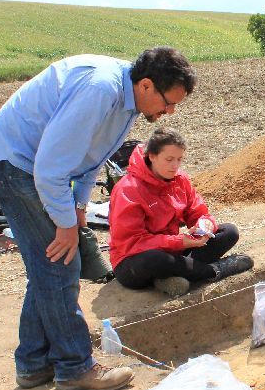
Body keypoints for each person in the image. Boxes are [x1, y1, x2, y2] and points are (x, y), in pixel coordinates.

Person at [0, 47, 196, 390]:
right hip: (15, 163)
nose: (168, 112)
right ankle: (74, 367)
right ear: (145, 85)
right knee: (61, 263)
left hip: (34, 165)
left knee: (47, 263)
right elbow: (49, 169)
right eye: (168, 102)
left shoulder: (128, 101)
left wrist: (78, 204)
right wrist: (66, 226)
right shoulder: (100, 92)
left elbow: (94, 156)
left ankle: (34, 363)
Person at [108, 127, 253, 296]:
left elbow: (199, 212)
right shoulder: (128, 189)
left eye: (179, 159)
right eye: (169, 159)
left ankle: (170, 277)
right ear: (151, 156)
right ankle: (213, 271)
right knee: (155, 259)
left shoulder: (180, 179)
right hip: (133, 260)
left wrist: (204, 225)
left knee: (228, 232)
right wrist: (179, 242)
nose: (175, 166)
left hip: (171, 251)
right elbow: (132, 243)